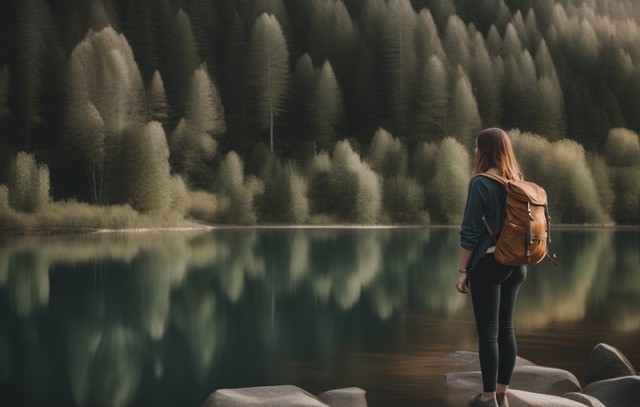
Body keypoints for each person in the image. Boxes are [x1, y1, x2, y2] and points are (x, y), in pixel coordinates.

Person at [455, 128, 527, 407]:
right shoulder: (517, 181)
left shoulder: (480, 183)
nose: (474, 151)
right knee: (507, 329)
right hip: (518, 263)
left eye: (476, 146)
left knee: (488, 333)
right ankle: (502, 394)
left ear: (484, 150)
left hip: (490, 263)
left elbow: (470, 232)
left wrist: (463, 271)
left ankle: (487, 399)